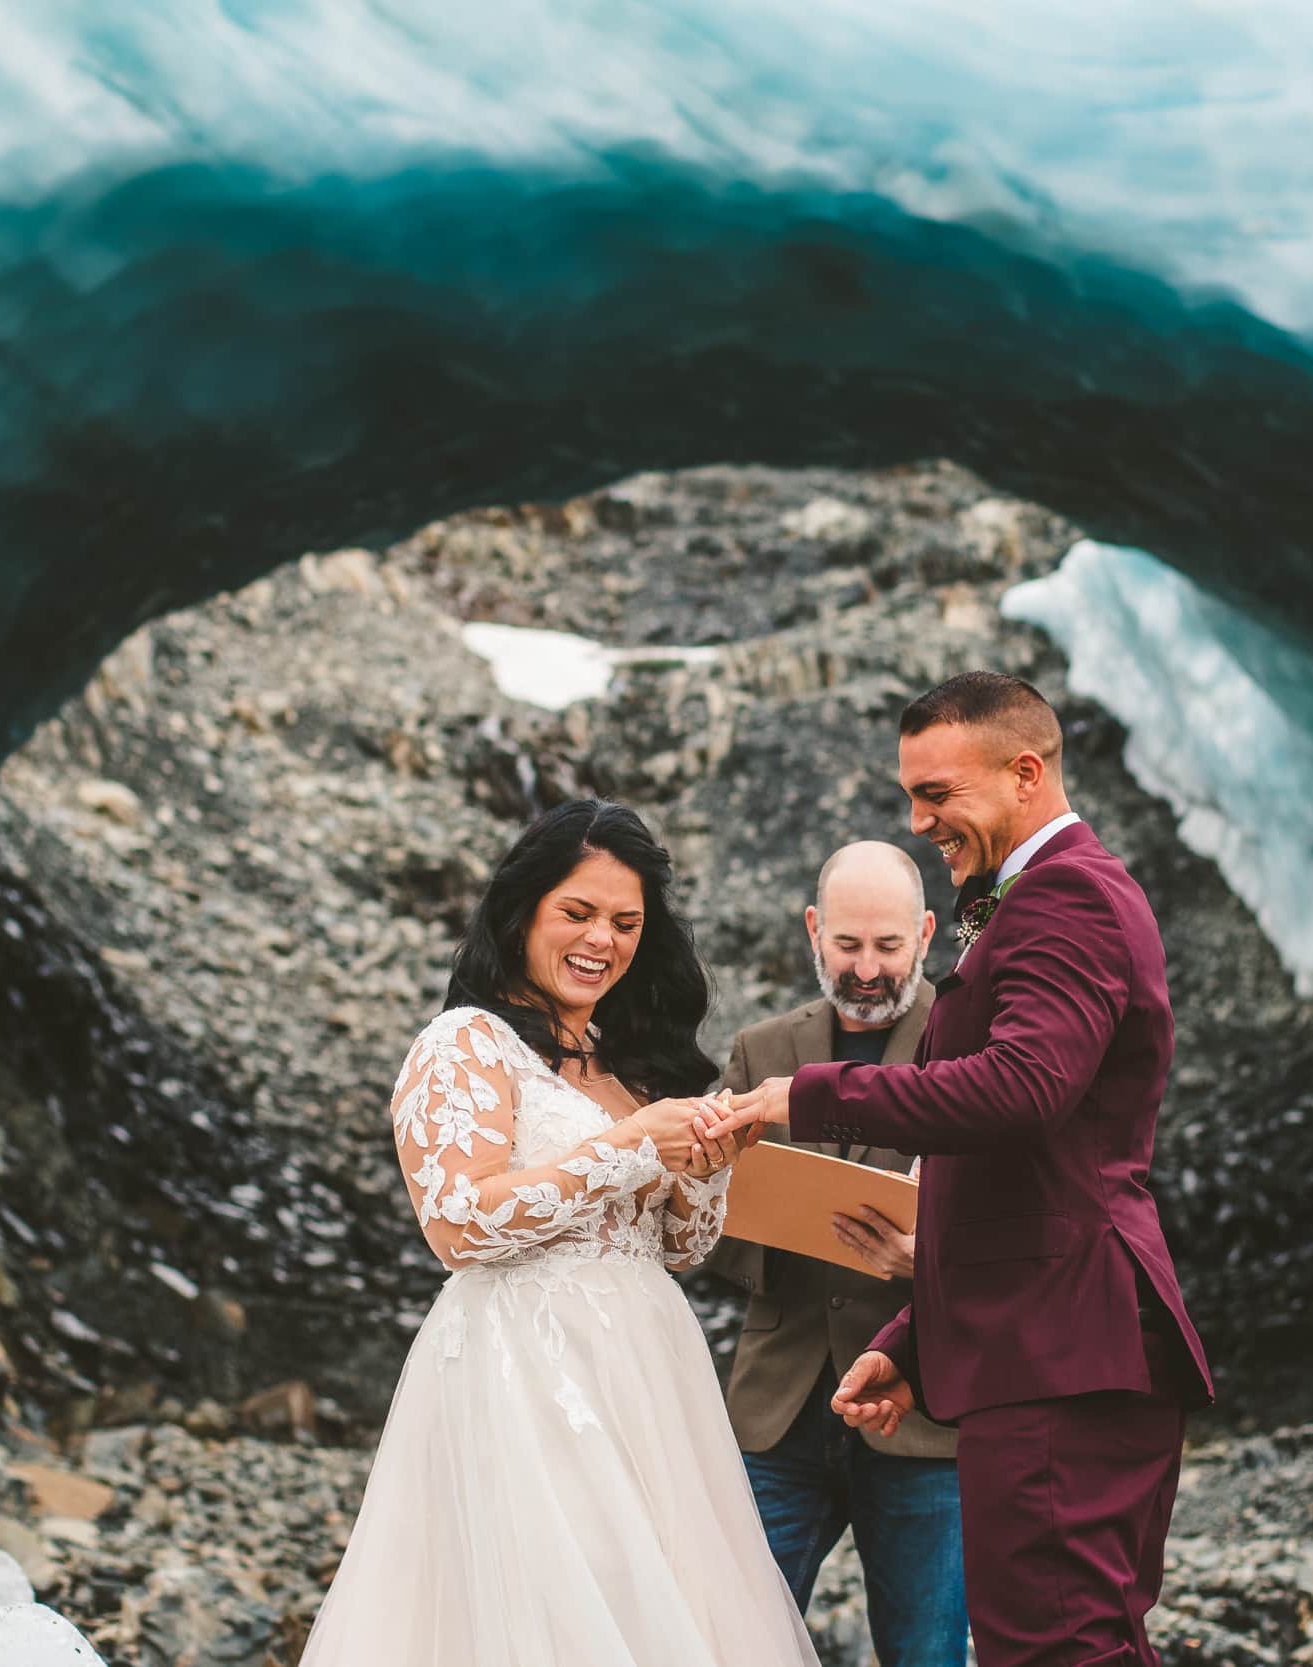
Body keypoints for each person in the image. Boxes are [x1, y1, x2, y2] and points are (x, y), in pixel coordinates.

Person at [720, 672, 1213, 1667]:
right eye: (911, 794)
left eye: (937, 792)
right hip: (1040, 1344)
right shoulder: (1032, 896)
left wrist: (806, 1095)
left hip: (1063, 1353)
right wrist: (913, 1337)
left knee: (1060, 1648)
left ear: (1025, 772)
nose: (919, 819)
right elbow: (1018, 1176)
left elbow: (1021, 1091)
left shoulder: (1069, 893)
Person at [300, 800, 820, 1667]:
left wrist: (706, 1164)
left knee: (656, 1604)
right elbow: (459, 1222)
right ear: (523, 910)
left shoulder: (627, 1064)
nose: (602, 941)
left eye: (626, 922)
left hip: (650, 1381)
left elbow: (679, 1250)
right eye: (577, 913)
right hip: (525, 1375)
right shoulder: (466, 1042)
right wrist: (625, 1145)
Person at [706, 841, 967, 1667]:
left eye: (888, 946)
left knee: (925, 1655)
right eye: (848, 944)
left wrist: (927, 1260)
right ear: (814, 930)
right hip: (776, 1413)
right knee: (729, 1645)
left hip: (924, 1420)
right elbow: (705, 1233)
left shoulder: (976, 1053)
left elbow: (1016, 1230)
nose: (866, 968)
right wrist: (757, 1216)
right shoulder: (760, 1050)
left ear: (927, 933)